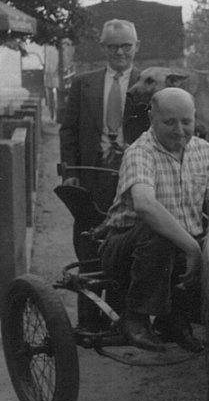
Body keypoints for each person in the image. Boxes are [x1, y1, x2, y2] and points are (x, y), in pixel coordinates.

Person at [100, 88, 209, 352]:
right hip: (127, 249)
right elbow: (146, 206)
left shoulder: (203, 150)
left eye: (186, 121)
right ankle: (134, 317)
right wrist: (192, 248)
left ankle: (176, 320)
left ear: (195, 118)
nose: (179, 130)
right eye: (169, 122)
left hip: (178, 248)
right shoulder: (140, 152)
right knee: (158, 233)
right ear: (152, 119)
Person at [59, 18, 150, 329]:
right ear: (104, 48)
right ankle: (88, 321)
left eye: (126, 46)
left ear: (137, 46)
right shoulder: (83, 83)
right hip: (93, 175)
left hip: (132, 177)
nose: (120, 52)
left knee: (125, 242)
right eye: (113, 46)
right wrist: (69, 172)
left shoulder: (149, 83)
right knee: (87, 241)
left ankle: (120, 319)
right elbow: (69, 130)